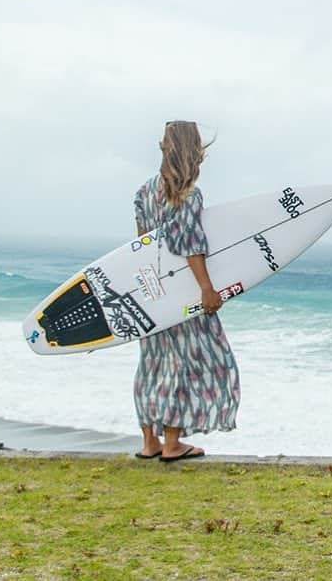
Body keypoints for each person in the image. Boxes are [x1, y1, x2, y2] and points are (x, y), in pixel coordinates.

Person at [132, 120, 240, 462]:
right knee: (189, 362)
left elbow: (141, 246)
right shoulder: (189, 195)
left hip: (152, 293)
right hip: (182, 292)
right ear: (191, 152)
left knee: (153, 364)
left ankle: (150, 441)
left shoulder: (144, 191)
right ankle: (173, 443)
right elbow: (191, 245)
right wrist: (207, 289)